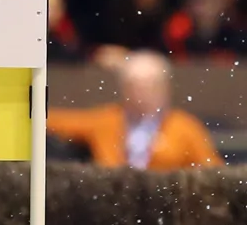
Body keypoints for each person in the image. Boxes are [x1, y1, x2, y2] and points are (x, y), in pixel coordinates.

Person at [46, 50, 222, 169]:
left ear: (166, 88)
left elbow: (214, 173)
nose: (141, 94)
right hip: (112, 200)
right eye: (134, 86)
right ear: (123, 89)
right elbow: (53, 120)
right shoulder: (107, 120)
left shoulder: (185, 127)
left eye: (150, 86)